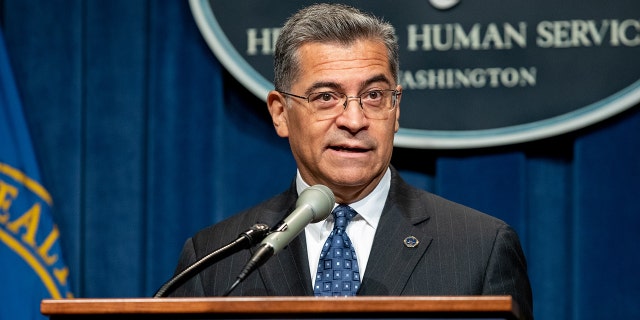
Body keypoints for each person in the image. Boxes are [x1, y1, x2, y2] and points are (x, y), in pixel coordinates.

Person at [170, 3, 533, 319]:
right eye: (326, 97)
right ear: (281, 113)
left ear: (396, 108)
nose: (355, 121)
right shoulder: (215, 259)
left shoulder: (480, 248)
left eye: (374, 95)